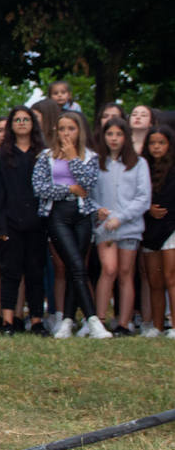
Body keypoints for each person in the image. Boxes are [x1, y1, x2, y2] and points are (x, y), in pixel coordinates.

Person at [32, 111, 107, 339]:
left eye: (71, 129)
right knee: (74, 264)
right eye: (62, 129)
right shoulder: (46, 156)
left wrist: (74, 157)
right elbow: (40, 188)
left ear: (79, 131)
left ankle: (66, 321)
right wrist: (69, 189)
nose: (66, 133)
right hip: (57, 216)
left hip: (82, 215)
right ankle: (93, 321)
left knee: (77, 268)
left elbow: (89, 182)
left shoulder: (90, 157)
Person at [0, 107, 47, 334]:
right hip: (10, 222)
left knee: (35, 272)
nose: (22, 123)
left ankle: (36, 320)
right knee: (10, 272)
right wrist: (0, 226)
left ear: (33, 123)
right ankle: (8, 320)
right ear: (11, 125)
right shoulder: (3, 154)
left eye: (26, 119)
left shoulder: (43, 153)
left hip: (38, 221)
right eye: (17, 120)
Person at [92, 118, 149, 336]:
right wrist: (99, 211)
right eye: (110, 134)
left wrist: (121, 217)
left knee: (126, 272)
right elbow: (92, 195)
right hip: (105, 227)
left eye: (118, 134)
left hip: (129, 226)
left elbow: (143, 197)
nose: (114, 139)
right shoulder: (98, 162)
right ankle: (99, 320)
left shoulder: (138, 163)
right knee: (109, 269)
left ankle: (123, 323)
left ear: (125, 137)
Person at [141, 127, 175, 337]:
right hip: (149, 229)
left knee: (171, 278)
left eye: (161, 143)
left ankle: (173, 325)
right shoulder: (142, 167)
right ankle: (157, 325)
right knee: (155, 281)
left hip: (171, 228)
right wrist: (148, 208)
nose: (156, 147)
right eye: (152, 143)